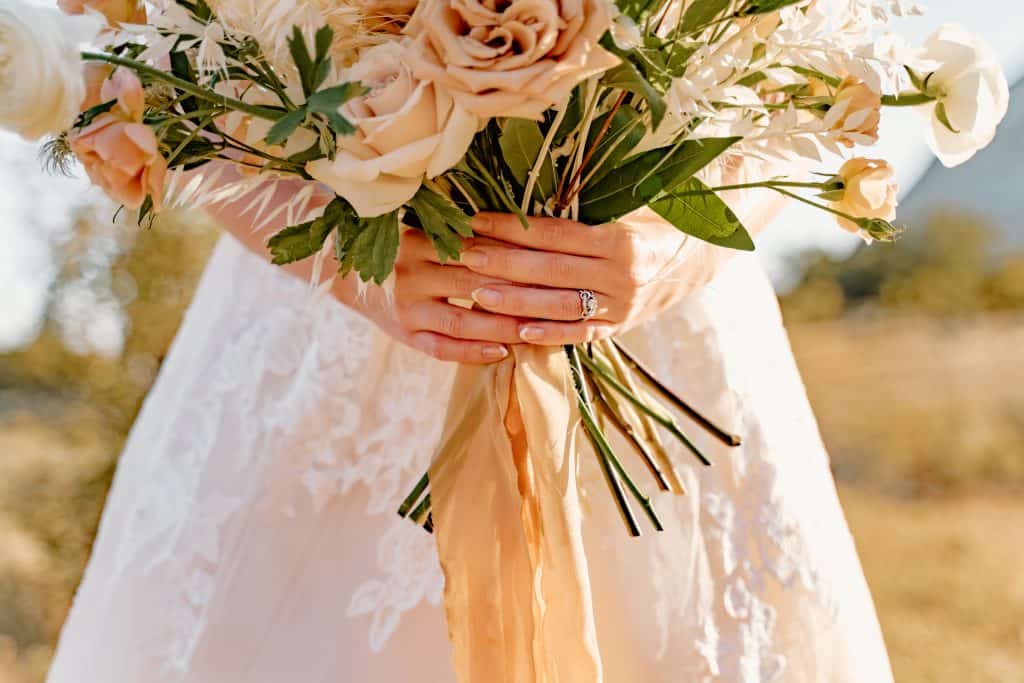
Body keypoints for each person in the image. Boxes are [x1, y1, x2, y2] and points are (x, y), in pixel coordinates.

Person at [46, 166, 894, 682]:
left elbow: (804, 74)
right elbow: (162, 72)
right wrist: (342, 259)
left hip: (649, 289)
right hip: (328, 294)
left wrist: (683, 247)